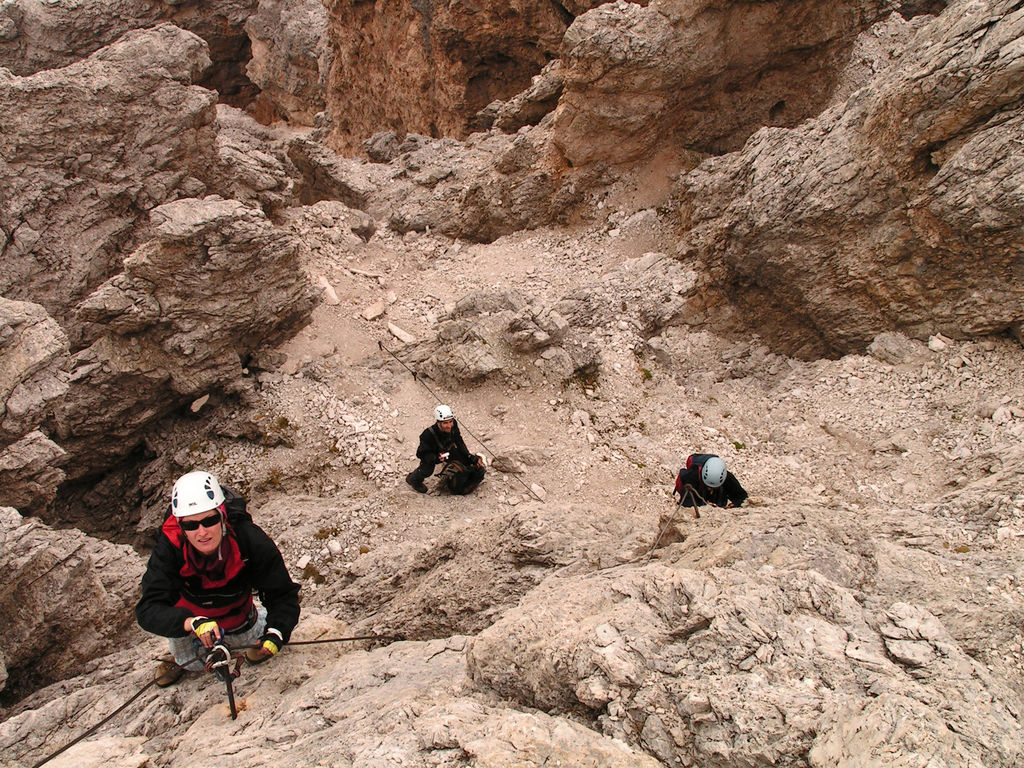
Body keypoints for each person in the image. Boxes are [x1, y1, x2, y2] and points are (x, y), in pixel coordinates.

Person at [135, 470, 301, 687]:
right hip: (192, 633)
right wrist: (192, 622)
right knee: (190, 662)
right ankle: (179, 661)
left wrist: (277, 632)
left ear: (222, 515)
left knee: (265, 641)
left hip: (242, 623)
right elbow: (148, 608)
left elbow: (282, 594)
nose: (202, 532)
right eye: (191, 525)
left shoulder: (248, 539)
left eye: (209, 520)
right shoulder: (170, 548)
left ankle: (251, 643)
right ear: (181, 526)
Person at [405, 404, 485, 495]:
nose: (449, 426)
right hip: (433, 455)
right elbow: (421, 453)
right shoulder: (427, 435)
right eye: (445, 423)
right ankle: (413, 479)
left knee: (465, 460)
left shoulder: (453, 425)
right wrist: (435, 459)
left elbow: (459, 441)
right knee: (426, 471)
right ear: (438, 423)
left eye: (450, 422)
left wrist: (469, 456)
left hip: (448, 450)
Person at [672, 453, 747, 513]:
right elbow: (687, 506)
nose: (709, 488)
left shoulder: (728, 478)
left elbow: (742, 497)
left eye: (713, 487)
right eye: (707, 485)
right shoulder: (690, 478)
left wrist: (734, 505)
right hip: (698, 498)